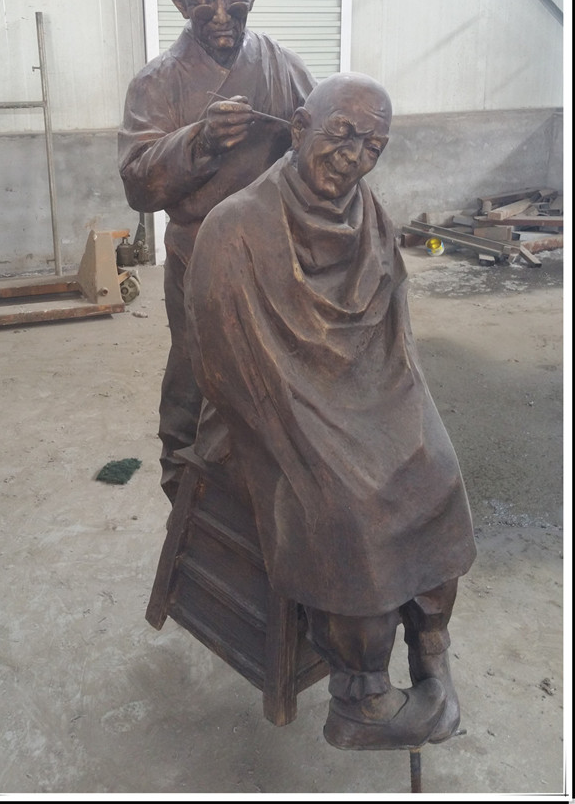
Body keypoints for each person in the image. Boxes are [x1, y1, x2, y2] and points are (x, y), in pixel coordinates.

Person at [184, 72, 477, 751]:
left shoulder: (368, 211)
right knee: (349, 500)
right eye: (342, 134)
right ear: (300, 128)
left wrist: (399, 407)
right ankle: (359, 692)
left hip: (363, 390)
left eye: (372, 146)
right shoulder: (236, 226)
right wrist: (314, 432)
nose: (353, 157)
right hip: (273, 402)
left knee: (436, 470)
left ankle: (430, 646)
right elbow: (222, 365)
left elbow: (396, 335)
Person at [118, 0, 315, 502]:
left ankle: (273, 509)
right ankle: (190, 505)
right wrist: (198, 142)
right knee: (198, 386)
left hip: (277, 263)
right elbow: (138, 186)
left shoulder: (284, 67)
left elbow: (316, 149)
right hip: (198, 266)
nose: (222, 12)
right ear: (179, 2)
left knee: (281, 392)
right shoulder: (156, 84)